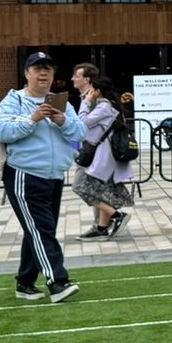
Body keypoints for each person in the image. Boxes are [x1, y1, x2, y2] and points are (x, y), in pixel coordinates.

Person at [0, 51, 85, 303]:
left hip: (54, 175)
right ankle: (57, 281)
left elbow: (79, 133)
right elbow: (3, 131)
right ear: (27, 74)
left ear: (54, 74)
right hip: (24, 174)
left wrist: (62, 120)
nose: (43, 73)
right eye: (37, 69)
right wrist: (33, 119)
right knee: (42, 230)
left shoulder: (61, 102)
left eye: (47, 69)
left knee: (37, 230)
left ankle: (25, 283)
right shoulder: (15, 99)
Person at [71, 63, 135, 240]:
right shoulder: (103, 104)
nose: (72, 79)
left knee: (81, 187)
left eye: (76, 76)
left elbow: (82, 123)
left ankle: (116, 216)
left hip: (98, 155)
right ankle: (101, 227)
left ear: (92, 84)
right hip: (98, 154)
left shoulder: (101, 105)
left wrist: (86, 102)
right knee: (99, 189)